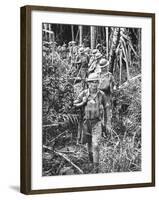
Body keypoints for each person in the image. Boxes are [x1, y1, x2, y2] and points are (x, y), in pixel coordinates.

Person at [74, 73, 107, 173]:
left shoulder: (101, 94)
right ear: (88, 83)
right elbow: (75, 104)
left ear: (98, 83)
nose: (94, 84)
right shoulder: (84, 93)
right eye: (92, 82)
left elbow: (106, 108)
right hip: (86, 122)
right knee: (89, 143)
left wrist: (105, 123)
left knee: (96, 144)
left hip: (97, 122)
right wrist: (83, 102)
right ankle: (91, 162)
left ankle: (96, 169)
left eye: (96, 82)